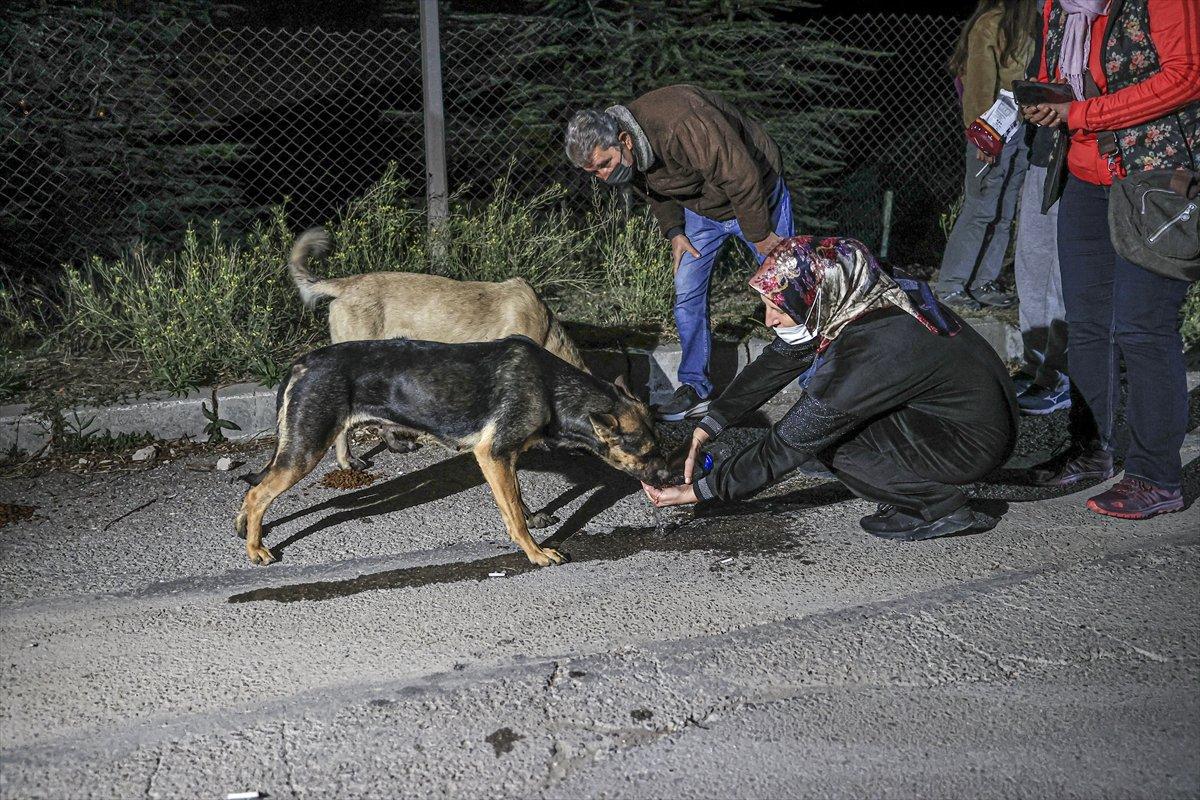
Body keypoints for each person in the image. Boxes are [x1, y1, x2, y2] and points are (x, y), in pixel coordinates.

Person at [642, 236, 1019, 542]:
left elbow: (785, 445)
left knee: (824, 442)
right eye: (766, 307)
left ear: (814, 296)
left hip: (970, 444)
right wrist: (705, 428)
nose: (769, 321)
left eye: (778, 309)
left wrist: (698, 491)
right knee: (816, 434)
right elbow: (780, 358)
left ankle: (937, 505)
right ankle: (905, 484)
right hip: (966, 418)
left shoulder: (870, 349)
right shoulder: (862, 292)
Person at [1022, 0, 1199, 518]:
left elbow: (1187, 75)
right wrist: (1032, 106)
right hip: (1084, 175)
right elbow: (1058, 77)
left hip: (1155, 179)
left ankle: (1155, 475)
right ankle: (1092, 451)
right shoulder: (1059, 4)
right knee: (1088, 325)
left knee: (1143, 328)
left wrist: (1081, 113)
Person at [565, 84, 794, 421]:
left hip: (757, 197)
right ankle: (694, 388)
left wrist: (760, 237)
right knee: (687, 293)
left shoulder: (681, 123)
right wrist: (674, 231)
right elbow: (653, 187)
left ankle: (816, 382)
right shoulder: (628, 153)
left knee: (790, 291)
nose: (602, 177)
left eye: (603, 165)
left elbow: (741, 176)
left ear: (624, 140)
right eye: (594, 172)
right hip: (702, 211)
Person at [934, 0, 1040, 310]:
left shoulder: (1029, 25)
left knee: (1005, 212)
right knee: (980, 209)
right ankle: (951, 285)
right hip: (993, 127)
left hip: (1020, 126)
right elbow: (979, 86)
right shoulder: (991, 25)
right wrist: (983, 139)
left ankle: (983, 281)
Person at [1012, 20, 1071, 415]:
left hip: (1080, 160)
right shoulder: (1054, 21)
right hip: (1042, 155)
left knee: (1062, 277)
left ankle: (1058, 376)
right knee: (1031, 265)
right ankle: (1034, 365)